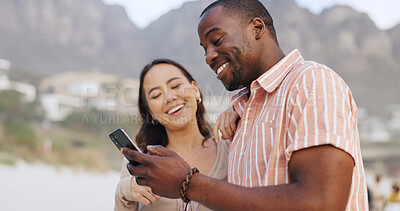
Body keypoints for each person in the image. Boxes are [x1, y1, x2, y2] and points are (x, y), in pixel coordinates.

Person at [121, 0, 369, 210]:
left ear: (257, 28)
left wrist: (188, 183)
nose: (208, 56)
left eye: (216, 40)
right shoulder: (241, 117)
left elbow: (321, 202)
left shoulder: (311, 82)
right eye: (204, 49)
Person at [114, 59, 229, 211]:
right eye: (156, 95)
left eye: (175, 86)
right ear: (150, 112)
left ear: (195, 90)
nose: (169, 97)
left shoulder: (230, 150)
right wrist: (123, 192)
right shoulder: (139, 162)